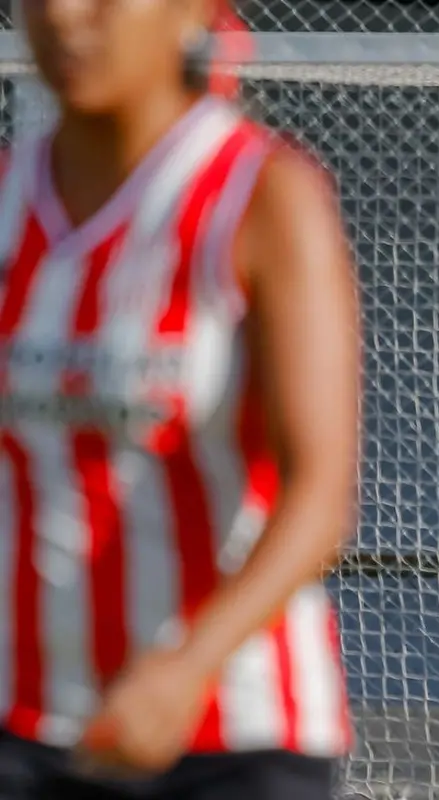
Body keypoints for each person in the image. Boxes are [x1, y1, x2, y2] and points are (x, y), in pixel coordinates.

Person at [0, 2, 360, 799]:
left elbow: (319, 497)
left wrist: (188, 666)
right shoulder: (8, 198)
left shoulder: (264, 196)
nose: (66, 15)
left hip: (233, 736)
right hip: (26, 729)